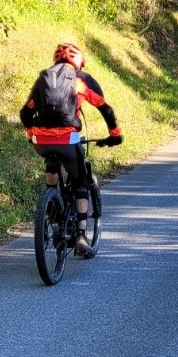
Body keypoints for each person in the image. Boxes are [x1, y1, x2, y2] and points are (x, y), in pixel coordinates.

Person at [20, 43, 122, 257]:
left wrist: (32, 134)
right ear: (79, 62)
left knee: (51, 161)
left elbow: (25, 112)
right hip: (67, 140)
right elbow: (106, 108)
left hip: (41, 141)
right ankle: (82, 236)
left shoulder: (44, 78)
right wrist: (115, 135)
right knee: (80, 182)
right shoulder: (81, 79)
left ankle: (51, 205)